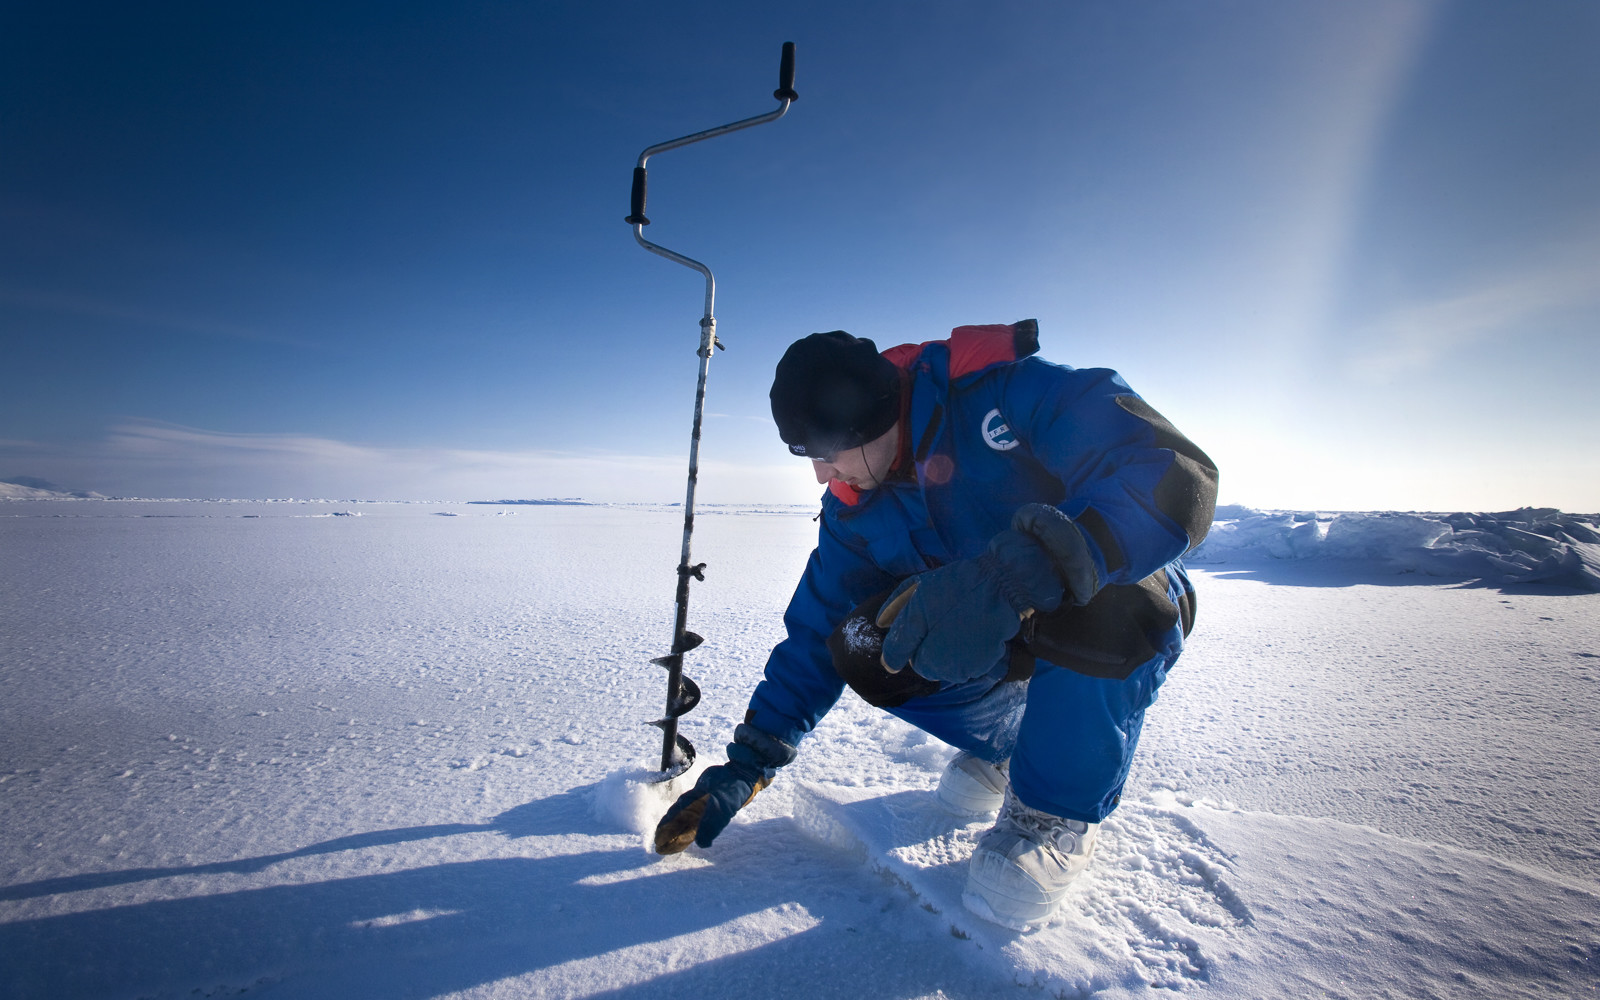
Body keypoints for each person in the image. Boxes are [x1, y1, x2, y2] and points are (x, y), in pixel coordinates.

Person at [654, 319, 1218, 928]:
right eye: (804, 455)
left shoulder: (1005, 394)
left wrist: (1027, 569)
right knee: (862, 644)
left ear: (866, 422)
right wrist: (749, 762)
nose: (820, 474)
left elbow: (1175, 471)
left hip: (1113, 585)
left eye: (823, 451)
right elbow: (816, 631)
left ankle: (1054, 816)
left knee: (1113, 606)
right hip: (999, 639)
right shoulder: (856, 509)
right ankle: (1009, 749)